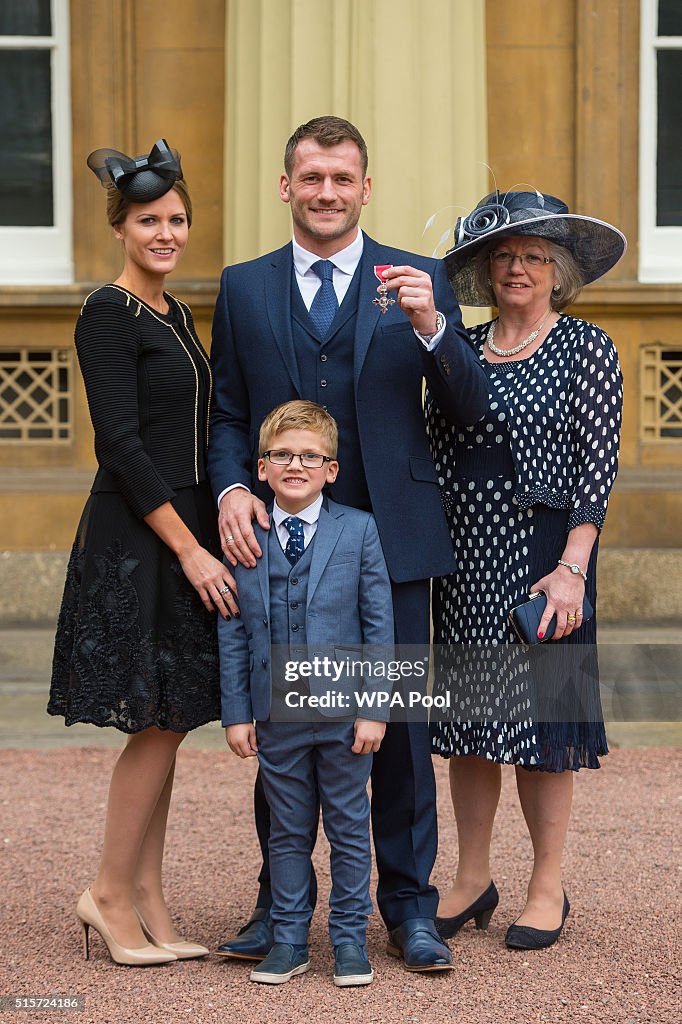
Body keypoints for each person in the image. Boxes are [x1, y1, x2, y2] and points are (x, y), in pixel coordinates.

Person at [209, 115, 489, 971]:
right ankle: (277, 906)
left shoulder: (421, 278)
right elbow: (225, 411)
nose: (327, 192)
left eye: (343, 179)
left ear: (366, 189)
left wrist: (436, 328)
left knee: (396, 728)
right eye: (312, 177)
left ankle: (409, 910)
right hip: (284, 544)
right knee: (288, 724)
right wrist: (228, 489)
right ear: (286, 187)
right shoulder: (244, 286)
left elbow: (472, 412)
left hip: (393, 546)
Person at [48, 139, 237, 965]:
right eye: (150, 221)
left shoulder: (178, 313)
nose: (167, 232)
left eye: (178, 219)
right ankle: (109, 893)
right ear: (120, 229)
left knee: (170, 718)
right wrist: (192, 549)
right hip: (141, 534)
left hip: (185, 524)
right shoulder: (106, 310)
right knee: (152, 725)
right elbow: (121, 443)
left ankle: (149, 893)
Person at [426, 190, 625, 950]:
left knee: (546, 723)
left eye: (535, 255)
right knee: (471, 723)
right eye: (504, 255)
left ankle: (548, 886)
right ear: (484, 268)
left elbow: (595, 468)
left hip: (548, 557)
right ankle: (472, 876)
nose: (518, 267)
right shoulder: (462, 349)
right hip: (465, 555)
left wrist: (574, 568)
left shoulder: (587, 347)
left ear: (558, 271)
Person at [219, 400, 394, 986]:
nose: (296, 465)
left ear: (331, 469)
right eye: (283, 456)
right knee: (287, 831)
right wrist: (236, 714)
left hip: (345, 715)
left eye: (310, 456)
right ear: (261, 467)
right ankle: (290, 940)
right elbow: (235, 632)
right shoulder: (243, 537)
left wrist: (375, 709)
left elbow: (379, 627)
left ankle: (349, 941)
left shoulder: (359, 529)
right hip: (275, 714)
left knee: (348, 827)